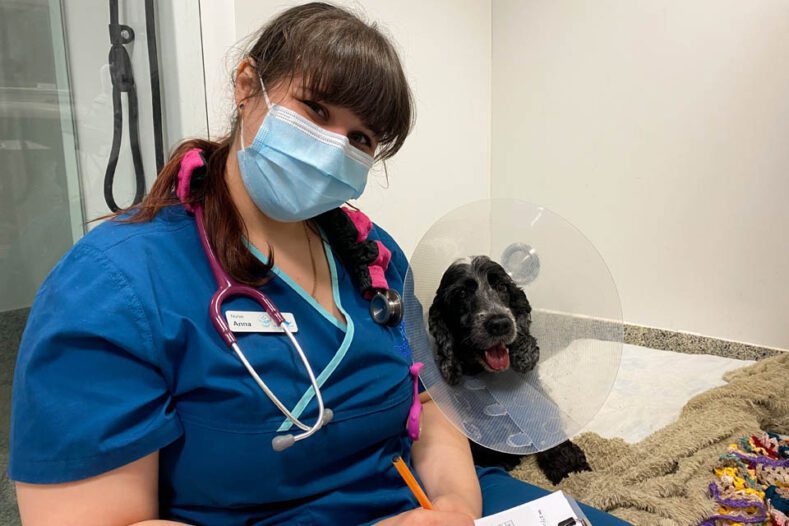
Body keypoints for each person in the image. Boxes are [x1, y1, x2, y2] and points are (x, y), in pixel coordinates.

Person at [8, 3, 630, 525]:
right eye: (317, 111)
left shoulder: (374, 254)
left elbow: (433, 404)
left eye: (362, 139)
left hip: (416, 502)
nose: (336, 146)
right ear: (247, 86)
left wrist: (456, 508)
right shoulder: (115, 285)